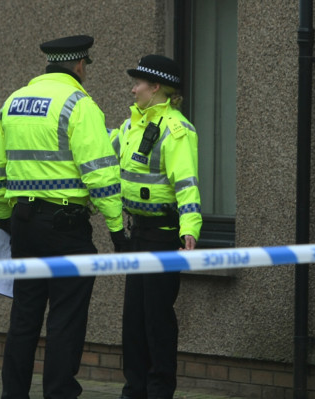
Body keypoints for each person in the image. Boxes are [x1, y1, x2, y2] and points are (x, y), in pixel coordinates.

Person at [0, 35, 126, 399]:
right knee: (65, 317)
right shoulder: (79, 105)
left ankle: (13, 394)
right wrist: (117, 229)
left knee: (24, 317)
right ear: (79, 66)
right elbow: (100, 176)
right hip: (65, 229)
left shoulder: (13, 102)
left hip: (24, 225)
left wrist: (6, 219)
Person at [109, 54, 202, 399]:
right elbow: (105, 152)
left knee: (156, 321)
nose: (132, 89)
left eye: (138, 83)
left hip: (164, 235)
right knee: (133, 320)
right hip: (139, 233)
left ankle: (159, 391)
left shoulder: (176, 130)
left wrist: (189, 229)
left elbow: (187, 185)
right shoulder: (131, 125)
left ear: (156, 88)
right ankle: (134, 390)